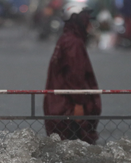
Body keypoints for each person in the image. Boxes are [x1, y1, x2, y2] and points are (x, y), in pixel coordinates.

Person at [43, 3, 101, 145]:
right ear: (78, 20)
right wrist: (79, 104)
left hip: (59, 108)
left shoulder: (65, 40)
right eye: (86, 19)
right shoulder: (73, 43)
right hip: (70, 111)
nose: (89, 24)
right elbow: (75, 75)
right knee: (78, 152)